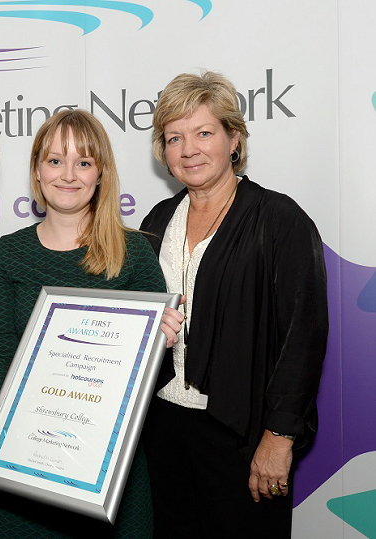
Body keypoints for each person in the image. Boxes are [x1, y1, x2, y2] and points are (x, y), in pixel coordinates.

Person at [0, 109, 181, 538]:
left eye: (84, 162)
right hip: (23, 464)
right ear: (37, 172)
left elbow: (156, 376)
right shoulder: (8, 254)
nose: (69, 175)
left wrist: (158, 346)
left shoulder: (134, 253)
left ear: (101, 174)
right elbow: (2, 352)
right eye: (55, 160)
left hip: (109, 469)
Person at [139, 71, 328, 538]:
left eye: (204, 133)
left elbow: (302, 338)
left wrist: (279, 437)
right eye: (174, 137)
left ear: (234, 140)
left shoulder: (279, 219)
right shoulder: (157, 221)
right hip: (161, 427)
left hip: (242, 433)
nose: (189, 149)